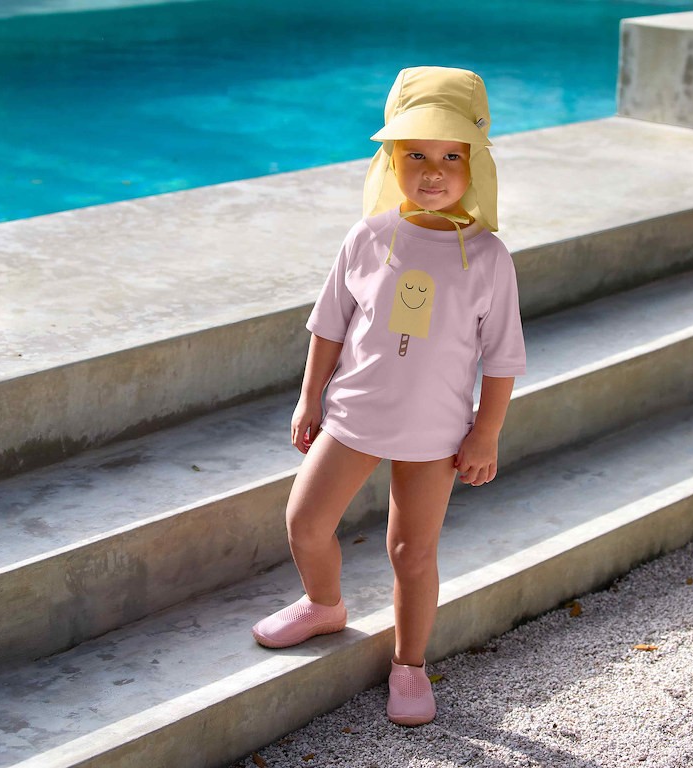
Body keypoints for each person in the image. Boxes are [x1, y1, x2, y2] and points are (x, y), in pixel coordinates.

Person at [252, 66, 526, 726]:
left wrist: (486, 431)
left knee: (412, 553)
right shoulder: (368, 238)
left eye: (451, 156)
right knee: (305, 521)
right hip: (353, 416)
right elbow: (329, 325)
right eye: (416, 155)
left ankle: (409, 663)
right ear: (391, 161)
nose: (433, 172)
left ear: (475, 164)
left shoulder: (488, 258)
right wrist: (309, 398)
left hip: (434, 434)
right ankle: (324, 605)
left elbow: (502, 357)